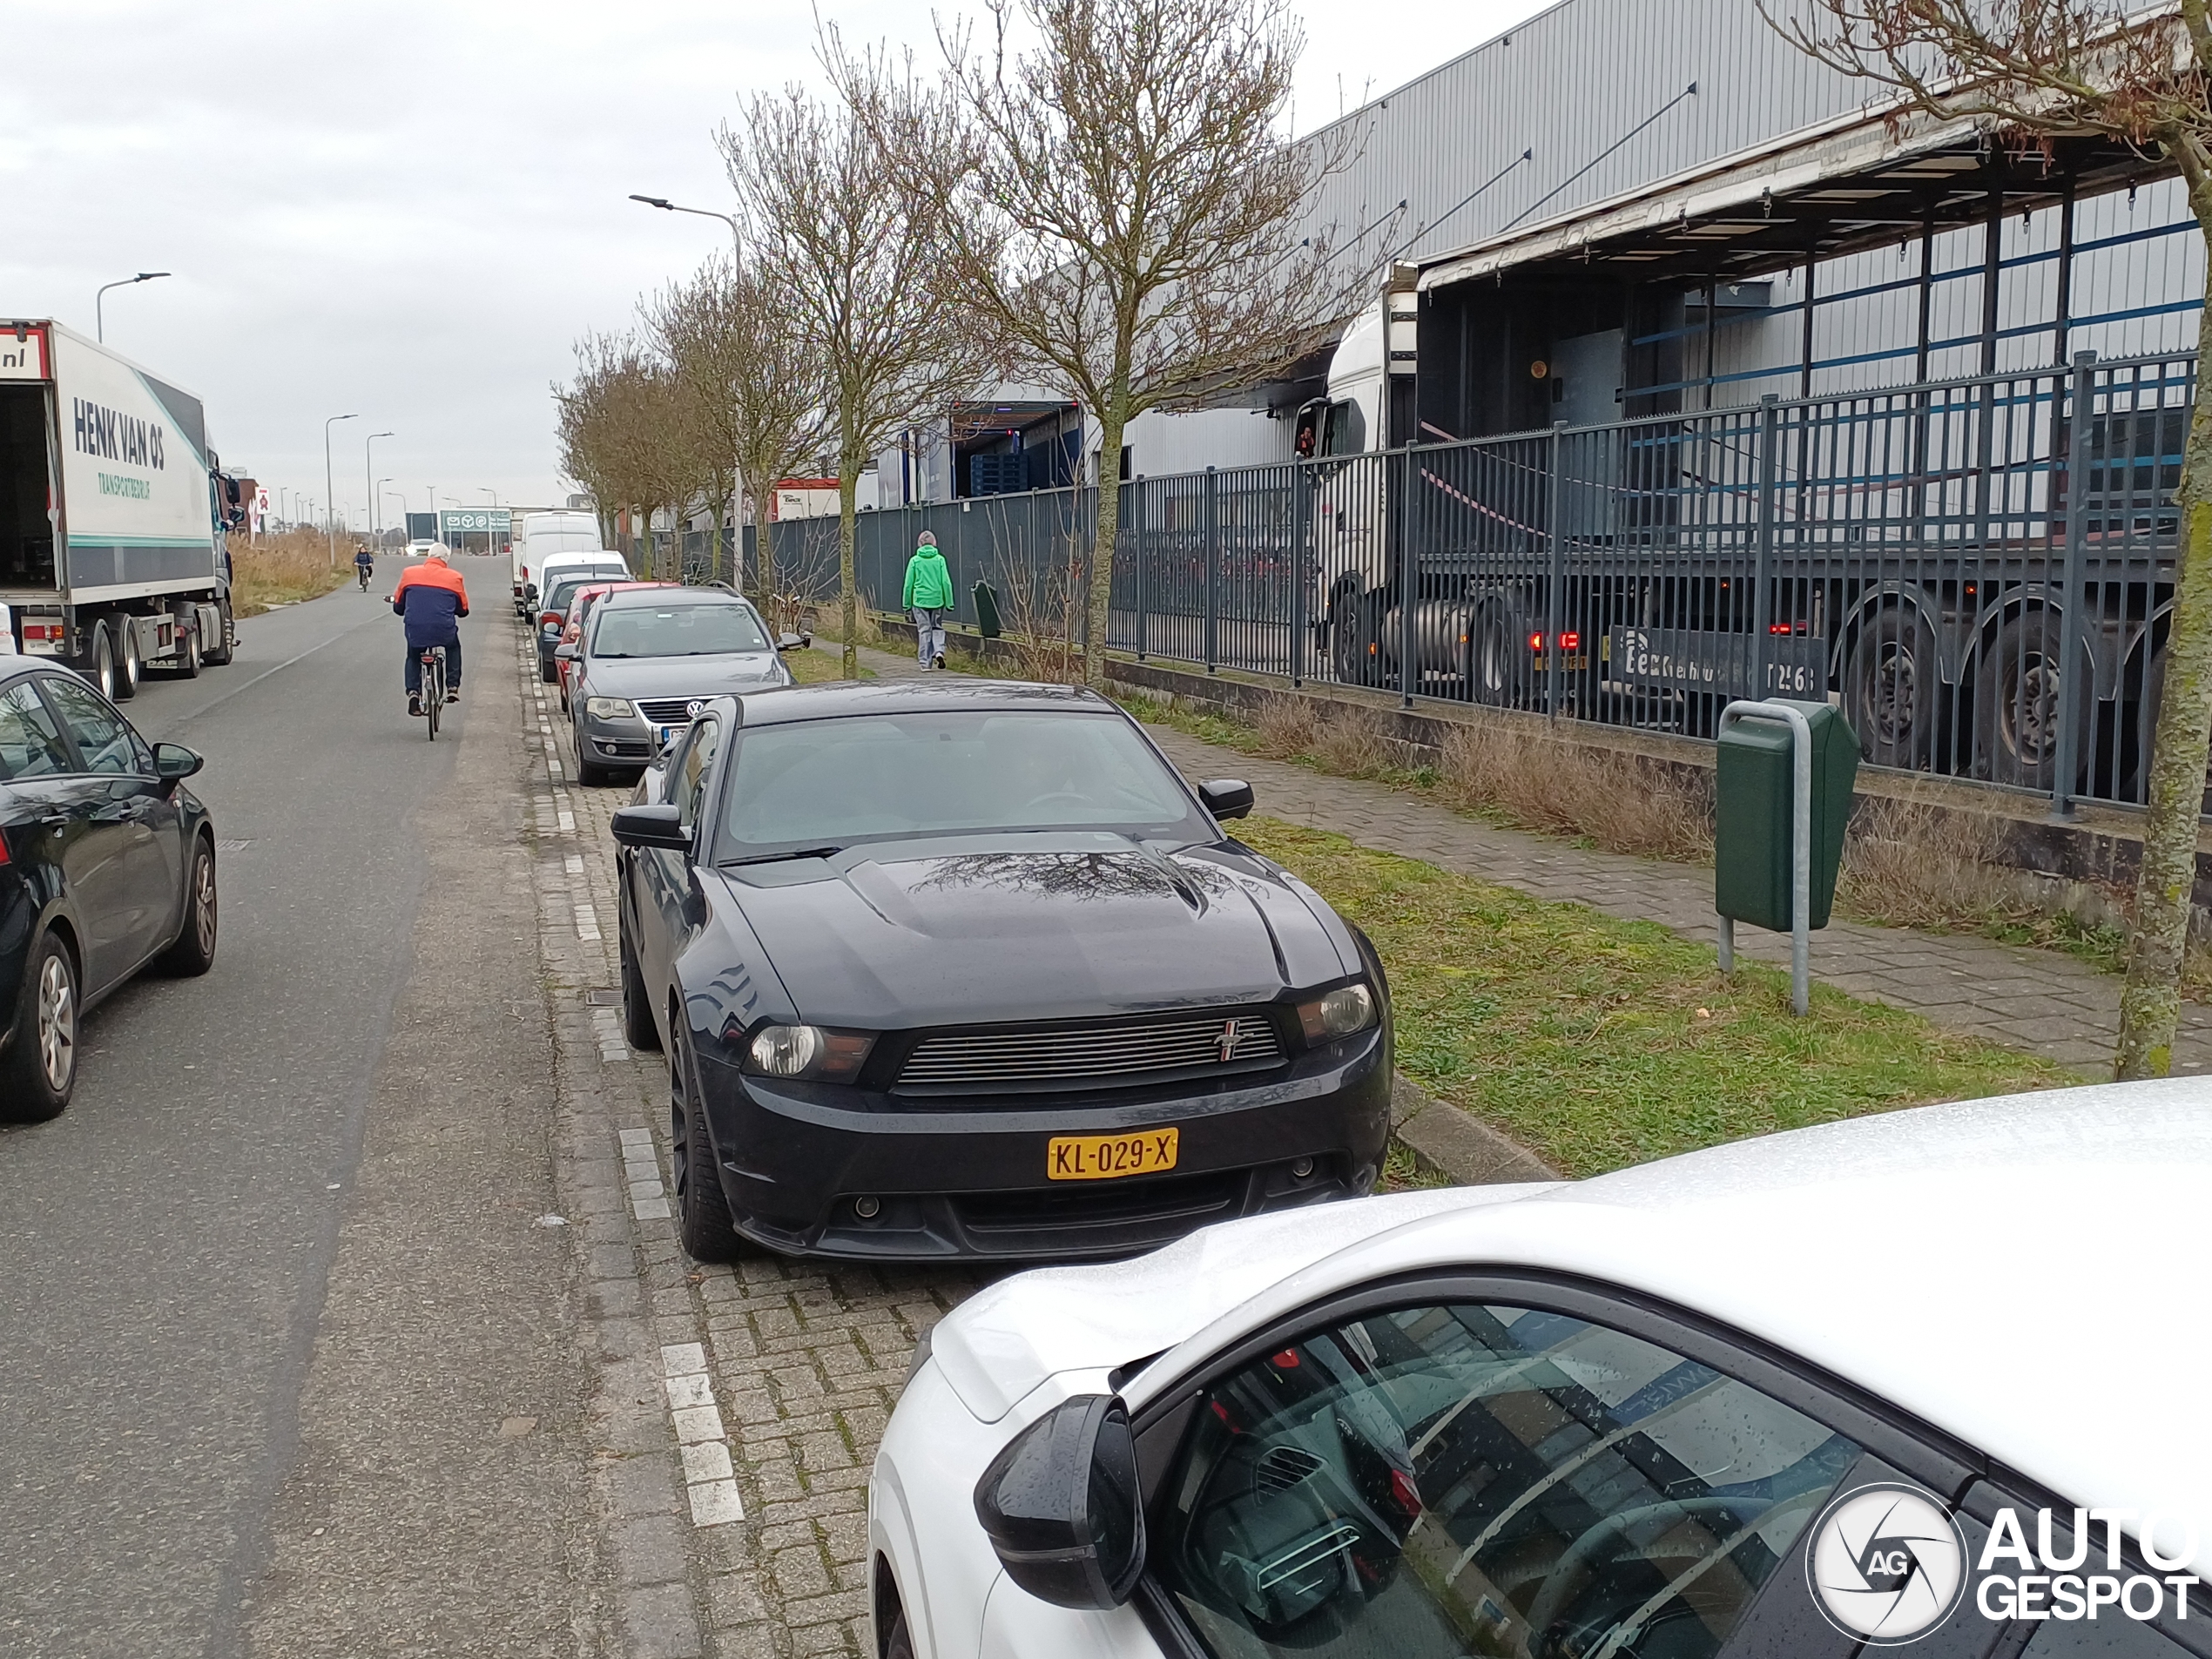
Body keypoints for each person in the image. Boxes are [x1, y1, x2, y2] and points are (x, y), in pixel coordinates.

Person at [390, 546, 469, 714]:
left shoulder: (409, 574)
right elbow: (463, 610)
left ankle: (413, 693)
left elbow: (398, 607)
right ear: (446, 559)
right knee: (453, 647)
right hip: (443, 629)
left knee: (413, 655)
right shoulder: (455, 577)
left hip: (415, 629)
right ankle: (452, 686)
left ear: (429, 555)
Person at [902, 530, 953, 669]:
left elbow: (908, 584)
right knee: (937, 627)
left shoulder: (915, 561)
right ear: (934, 543)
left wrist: (906, 604)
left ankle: (925, 663)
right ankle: (939, 651)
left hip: (919, 601)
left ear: (919, 544)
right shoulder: (940, 560)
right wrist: (949, 602)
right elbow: (946, 582)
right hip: (937, 600)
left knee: (924, 630)